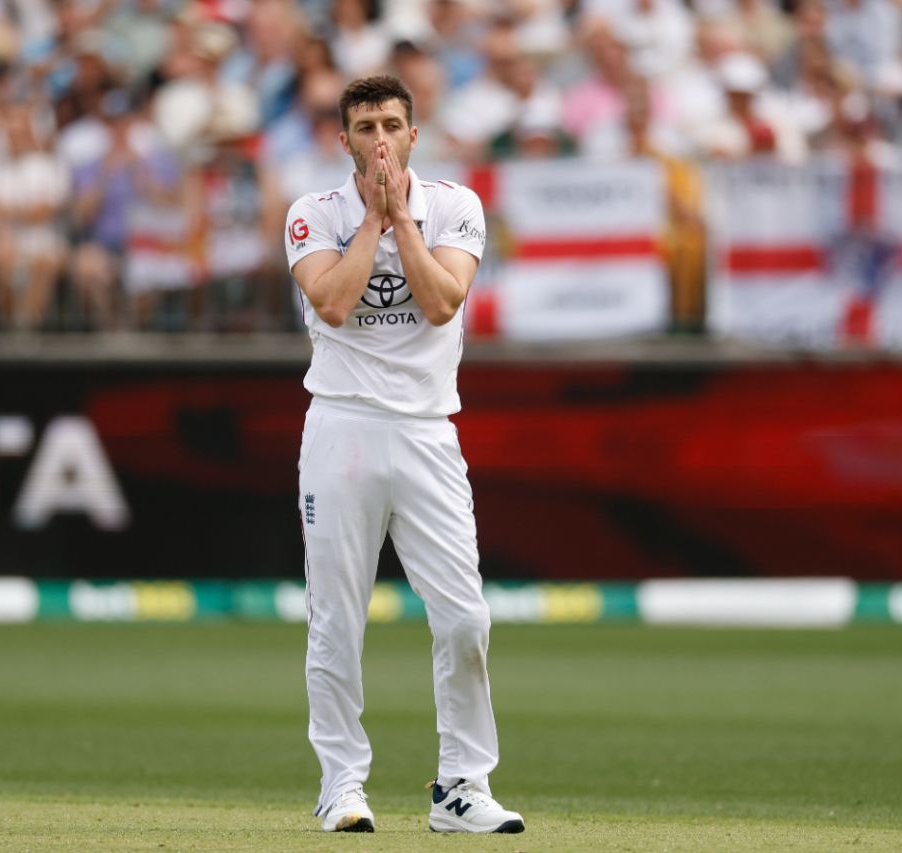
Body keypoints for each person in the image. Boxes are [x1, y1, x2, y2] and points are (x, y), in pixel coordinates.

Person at [284, 74, 524, 835]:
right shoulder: (312, 214)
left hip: (428, 429)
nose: (380, 139)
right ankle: (342, 783)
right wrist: (372, 225)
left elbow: (442, 301)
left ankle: (460, 785)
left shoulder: (455, 205)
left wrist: (401, 224)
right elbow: (332, 302)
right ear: (344, 140)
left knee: (463, 617)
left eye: (392, 124)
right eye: (365, 127)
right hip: (342, 425)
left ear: (414, 134)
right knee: (336, 619)